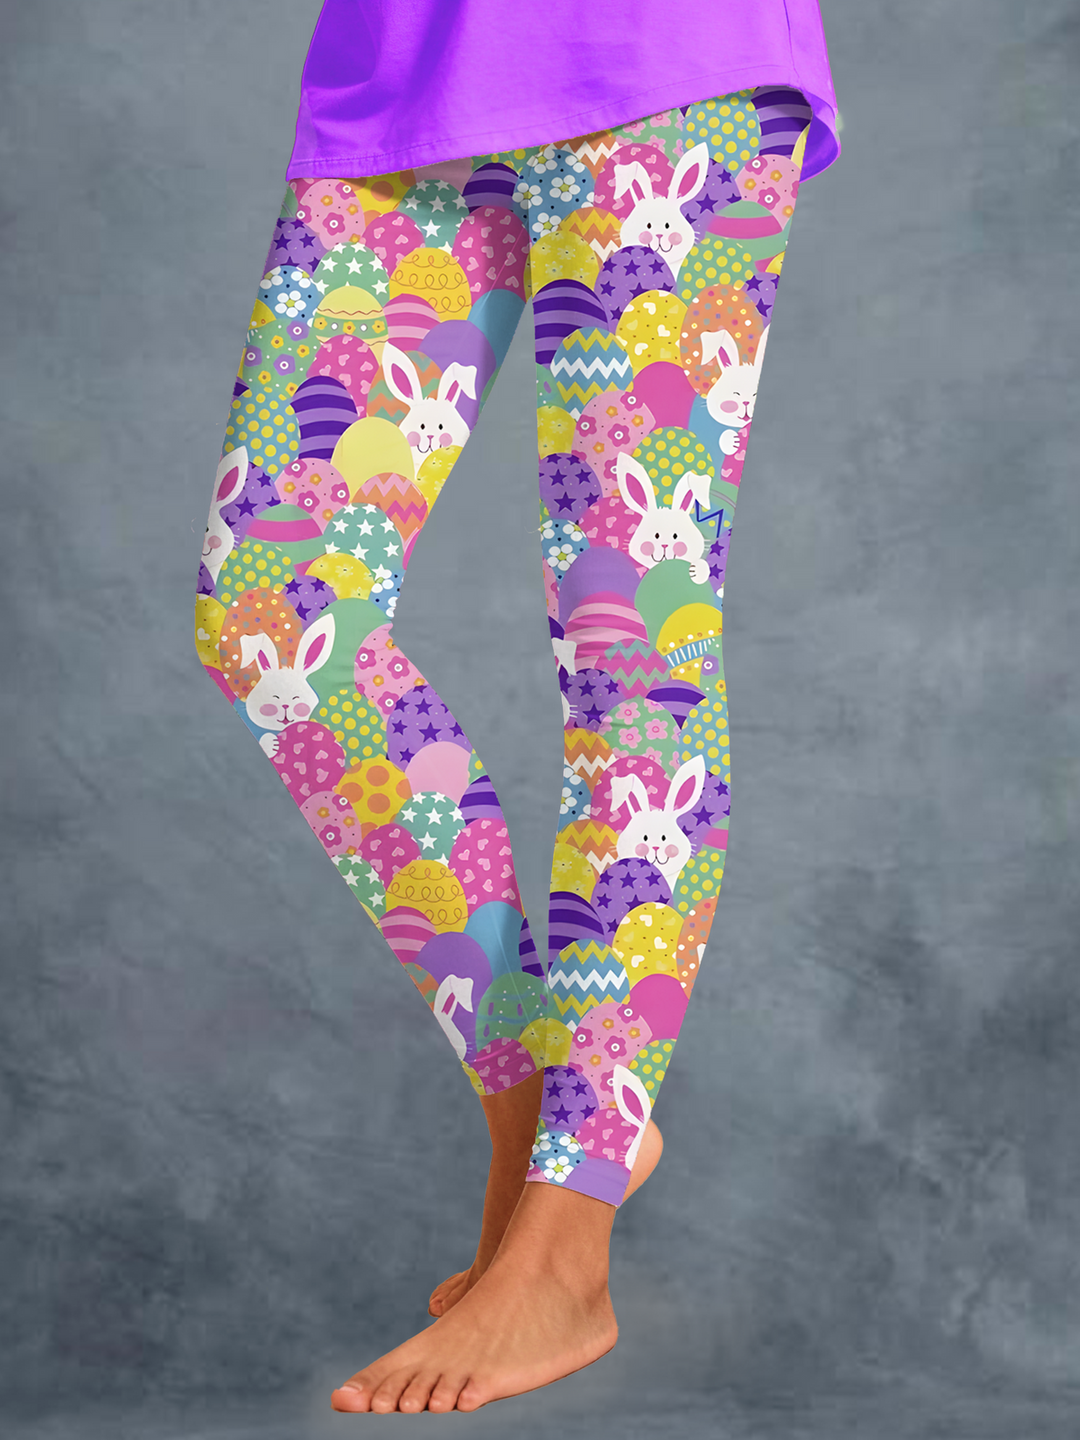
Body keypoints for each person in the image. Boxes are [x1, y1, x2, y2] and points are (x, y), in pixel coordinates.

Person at [194, 0, 840, 1414]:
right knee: (273, 611)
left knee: (632, 633)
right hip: (400, 77)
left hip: (665, 63)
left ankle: (567, 1236)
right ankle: (544, 1098)